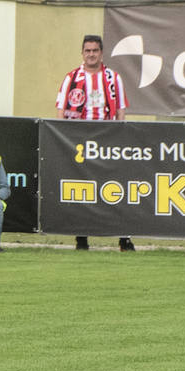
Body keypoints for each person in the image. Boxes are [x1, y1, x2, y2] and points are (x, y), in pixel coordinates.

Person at [56, 34, 135, 252]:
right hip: (80, 141)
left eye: (95, 50)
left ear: (101, 52)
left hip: (107, 140)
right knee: (83, 189)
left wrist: (118, 137)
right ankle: (81, 237)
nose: (91, 54)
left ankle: (124, 238)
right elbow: (61, 111)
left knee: (115, 189)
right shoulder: (71, 78)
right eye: (87, 50)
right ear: (82, 53)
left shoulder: (113, 78)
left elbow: (120, 110)